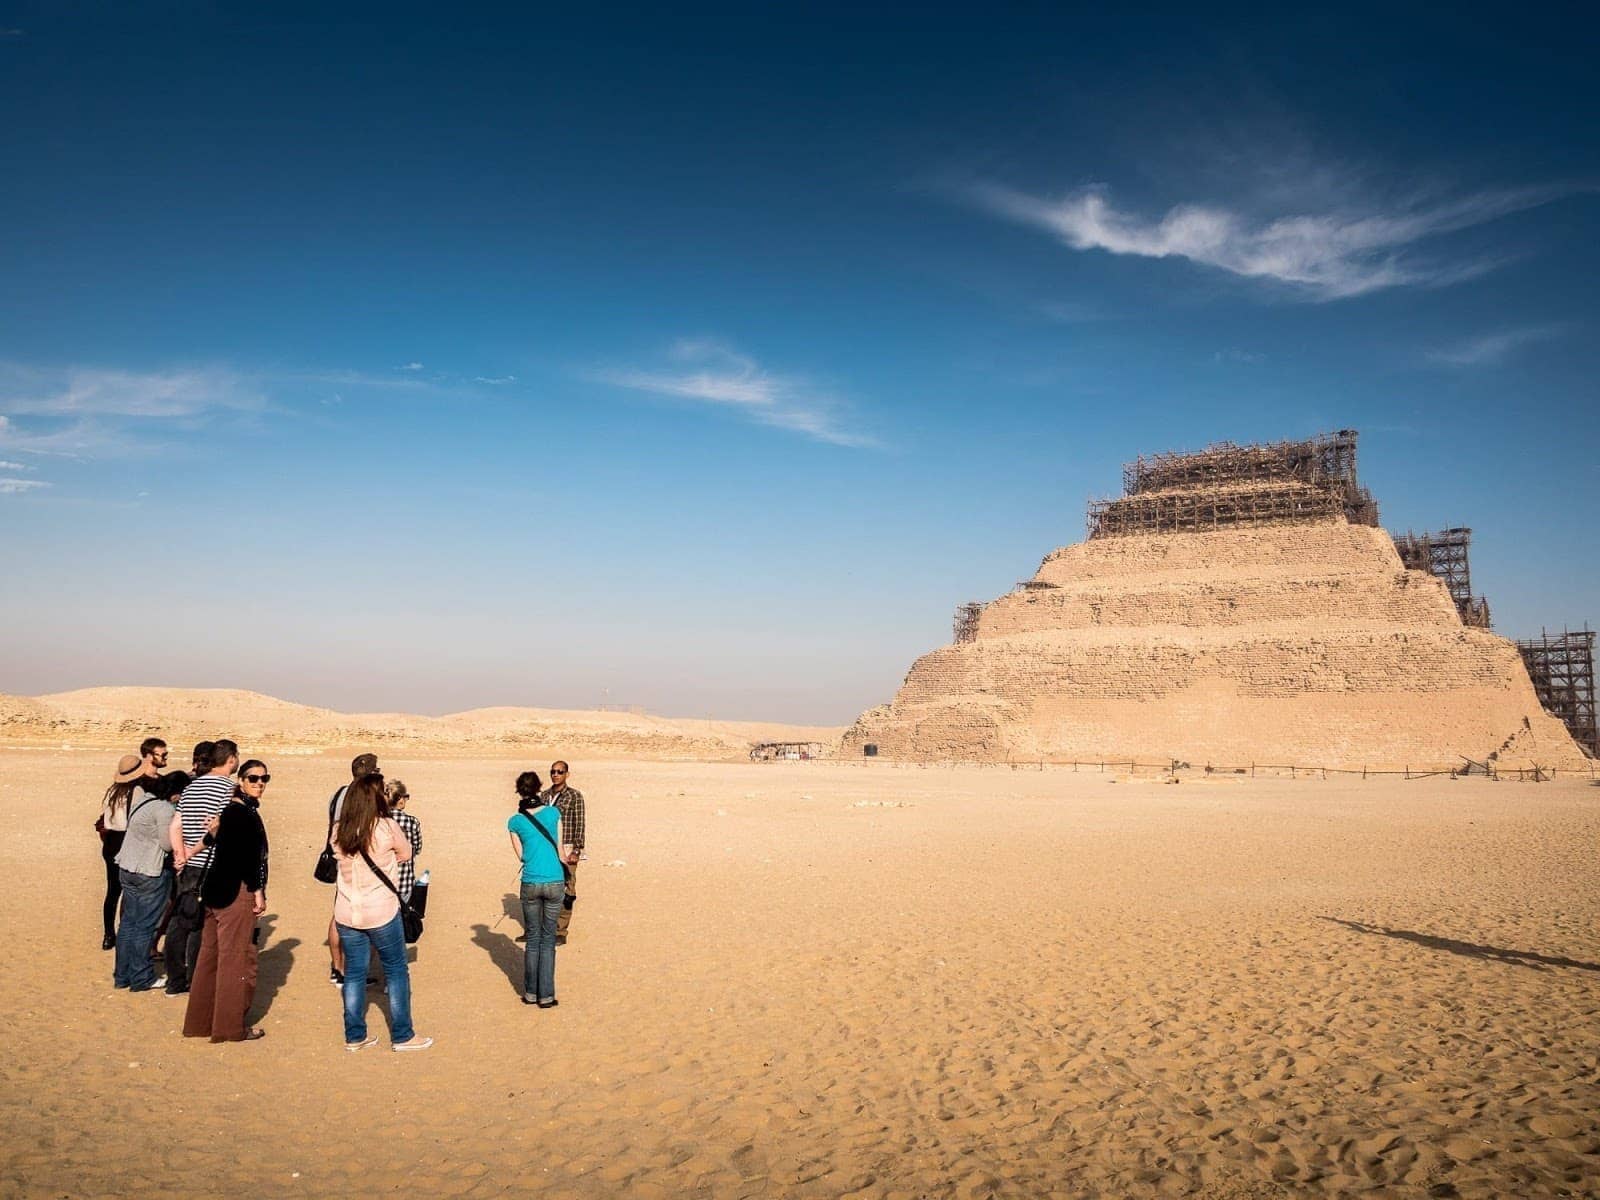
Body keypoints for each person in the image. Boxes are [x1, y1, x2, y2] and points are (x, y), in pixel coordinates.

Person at [332, 774, 430, 1051]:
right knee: (397, 970)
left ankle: (355, 1036)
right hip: (380, 910)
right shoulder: (385, 826)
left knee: (354, 973)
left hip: (347, 911)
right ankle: (402, 1035)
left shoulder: (339, 829)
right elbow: (406, 854)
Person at [182, 758, 269, 1042]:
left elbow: (215, 838)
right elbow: (248, 858)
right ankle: (230, 1028)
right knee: (234, 961)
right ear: (241, 779)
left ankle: (199, 1023)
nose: (259, 784)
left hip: (214, 892)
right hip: (235, 894)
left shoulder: (231, 811)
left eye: (264, 779)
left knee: (209, 958)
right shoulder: (243, 814)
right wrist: (257, 891)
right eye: (253, 778)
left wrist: (190, 853)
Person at [164, 739, 237, 995]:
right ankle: (197, 981)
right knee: (201, 926)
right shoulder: (229, 789)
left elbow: (175, 826)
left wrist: (180, 855)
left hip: (188, 865)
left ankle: (174, 981)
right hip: (212, 863)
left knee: (180, 921)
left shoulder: (193, 786)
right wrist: (192, 851)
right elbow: (222, 829)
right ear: (231, 759)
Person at [112, 768, 176, 991]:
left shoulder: (144, 800)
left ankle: (122, 976)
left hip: (127, 867)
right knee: (145, 926)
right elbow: (167, 844)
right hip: (149, 871)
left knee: (128, 923)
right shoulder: (164, 809)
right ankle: (141, 978)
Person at [508, 771, 566, 1007]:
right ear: (539, 788)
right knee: (548, 938)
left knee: (532, 939)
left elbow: (521, 856)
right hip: (554, 879)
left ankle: (531, 993)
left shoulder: (515, 821)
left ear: (519, 791)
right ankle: (547, 995)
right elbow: (561, 850)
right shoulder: (553, 813)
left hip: (531, 881)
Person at [327, 753, 381, 987]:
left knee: (340, 913)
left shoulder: (338, 794)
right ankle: (350, 971)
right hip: (359, 862)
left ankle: (338, 967)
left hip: (342, 859)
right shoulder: (362, 797)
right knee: (358, 918)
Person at [96, 757, 143, 949]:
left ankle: (108, 934)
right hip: (127, 842)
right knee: (132, 891)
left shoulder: (112, 792)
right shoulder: (137, 792)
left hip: (110, 844)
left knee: (113, 892)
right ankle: (127, 933)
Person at [541, 761, 585, 944]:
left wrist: (577, 849)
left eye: (560, 772)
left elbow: (580, 823)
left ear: (567, 774)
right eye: (553, 771)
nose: (556, 775)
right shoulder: (543, 796)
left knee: (567, 888)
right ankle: (543, 929)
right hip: (545, 848)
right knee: (545, 888)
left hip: (566, 847)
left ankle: (561, 931)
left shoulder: (574, 796)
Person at [386, 778, 422, 903]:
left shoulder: (378, 821)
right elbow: (417, 849)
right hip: (404, 882)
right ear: (400, 799)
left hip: (382, 884)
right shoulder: (412, 822)